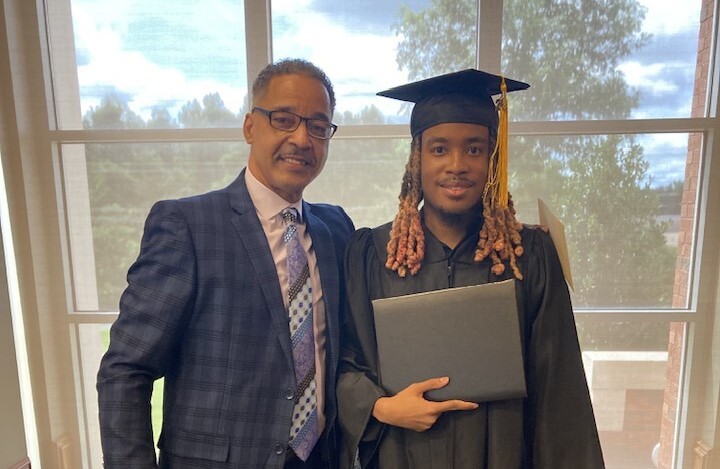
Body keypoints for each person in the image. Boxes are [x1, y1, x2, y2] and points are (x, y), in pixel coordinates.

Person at [336, 69, 605, 468]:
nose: (457, 165)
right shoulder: (374, 254)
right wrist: (378, 406)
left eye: (475, 149)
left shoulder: (525, 256)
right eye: (440, 149)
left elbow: (559, 391)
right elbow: (344, 360)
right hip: (402, 455)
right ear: (417, 158)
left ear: (492, 159)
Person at [97, 58, 354, 469]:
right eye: (284, 119)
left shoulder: (337, 229)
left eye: (318, 126)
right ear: (251, 126)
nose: (303, 138)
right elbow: (126, 370)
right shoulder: (187, 226)